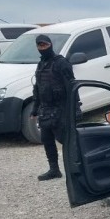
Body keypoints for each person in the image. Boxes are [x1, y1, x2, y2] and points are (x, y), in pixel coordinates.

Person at [31, 34, 76, 181]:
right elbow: (37, 89)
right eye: (40, 46)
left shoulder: (61, 63)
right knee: (47, 140)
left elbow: (72, 87)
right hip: (46, 110)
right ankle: (54, 170)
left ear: (50, 45)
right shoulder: (41, 65)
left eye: (45, 45)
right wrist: (35, 109)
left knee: (66, 141)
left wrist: (76, 109)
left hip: (61, 109)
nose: (42, 48)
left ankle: (75, 170)